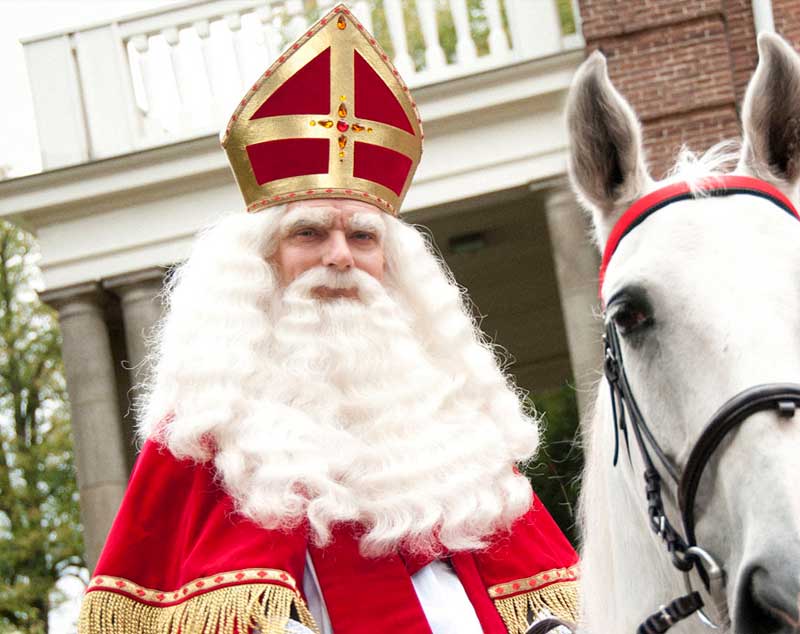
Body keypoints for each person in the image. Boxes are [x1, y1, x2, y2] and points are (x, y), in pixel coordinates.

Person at [78, 5, 578, 634]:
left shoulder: (449, 420)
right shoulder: (207, 428)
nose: (339, 257)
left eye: (363, 237)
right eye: (309, 233)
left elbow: (544, 593)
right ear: (260, 263)